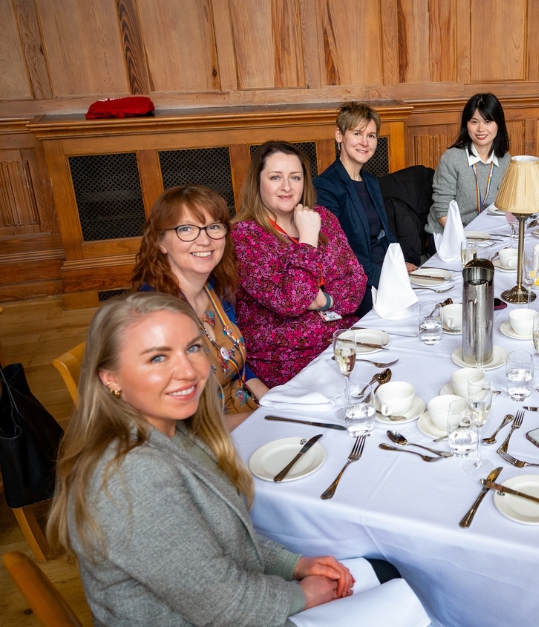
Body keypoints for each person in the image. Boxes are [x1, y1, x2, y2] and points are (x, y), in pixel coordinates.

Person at [44, 292, 399, 625]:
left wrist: (295, 564)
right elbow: (224, 606)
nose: (188, 371)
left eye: (193, 348)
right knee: (403, 592)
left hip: (234, 603)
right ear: (110, 378)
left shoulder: (174, 429)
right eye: (157, 357)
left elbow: (223, 536)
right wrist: (302, 595)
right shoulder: (132, 475)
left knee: (389, 571)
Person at [231, 141, 366, 386]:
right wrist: (308, 239)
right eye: (275, 177)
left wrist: (323, 300)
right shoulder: (244, 236)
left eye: (295, 177)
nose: (286, 187)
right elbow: (292, 301)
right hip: (289, 362)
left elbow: (356, 284)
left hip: (343, 343)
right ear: (257, 182)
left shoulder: (322, 217)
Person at [130, 185, 266, 427]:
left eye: (213, 227)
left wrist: (272, 401)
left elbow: (237, 366)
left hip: (242, 411)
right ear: (160, 241)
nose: (204, 240)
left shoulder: (217, 288)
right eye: (186, 229)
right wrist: (263, 420)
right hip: (201, 435)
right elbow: (178, 422)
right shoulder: (155, 316)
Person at [313, 101, 417, 315]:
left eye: (371, 135)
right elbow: (341, 256)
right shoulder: (325, 187)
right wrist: (387, 278)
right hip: (357, 283)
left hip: (383, 271)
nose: (365, 142)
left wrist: (399, 263)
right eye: (357, 133)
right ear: (339, 135)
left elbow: (385, 233)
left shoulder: (370, 181)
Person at [426, 93, 511, 235]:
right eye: (474, 122)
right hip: (450, 234)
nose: (481, 129)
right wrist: (464, 239)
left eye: (488, 122)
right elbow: (442, 211)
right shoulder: (452, 158)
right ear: (466, 124)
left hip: (488, 234)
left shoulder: (506, 160)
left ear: (499, 124)